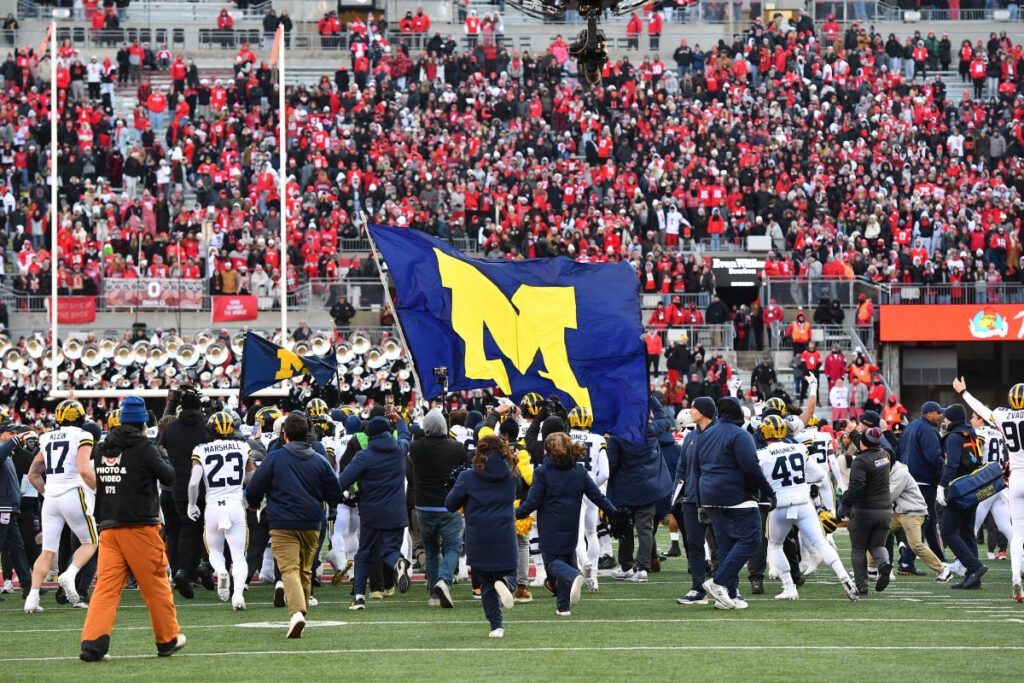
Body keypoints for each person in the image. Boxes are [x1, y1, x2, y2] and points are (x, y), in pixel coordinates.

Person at [80, 396, 183, 662]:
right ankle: (167, 639)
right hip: (140, 527)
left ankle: (93, 643)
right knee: (155, 586)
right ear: (142, 423)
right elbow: (169, 477)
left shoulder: (103, 449)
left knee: (105, 588)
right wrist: (162, 454)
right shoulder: (144, 447)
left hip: (110, 527)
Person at [245, 413, 343, 638]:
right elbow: (335, 491)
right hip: (311, 522)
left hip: (283, 521)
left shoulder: (275, 458)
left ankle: (297, 612)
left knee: (289, 569)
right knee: (305, 569)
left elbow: (254, 488)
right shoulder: (319, 459)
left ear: (285, 435)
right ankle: (302, 609)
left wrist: (253, 504)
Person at [756, 415, 858, 601]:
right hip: (803, 502)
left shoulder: (761, 455)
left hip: (780, 504)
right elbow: (819, 474)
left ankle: (789, 587)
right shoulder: (799, 448)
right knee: (820, 541)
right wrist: (801, 482)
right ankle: (844, 575)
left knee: (775, 545)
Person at [516, 431, 617, 616]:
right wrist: (616, 514)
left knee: (553, 563)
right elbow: (597, 496)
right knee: (563, 560)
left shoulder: (542, 472)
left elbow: (532, 503)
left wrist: (513, 515)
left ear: (547, 451)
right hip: (571, 525)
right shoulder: (579, 471)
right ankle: (563, 607)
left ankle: (574, 575)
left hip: (550, 526)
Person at [694, 396, 775, 609]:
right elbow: (750, 467)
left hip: (709, 496)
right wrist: (768, 492)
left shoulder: (704, 435)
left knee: (726, 546)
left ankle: (729, 595)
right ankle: (719, 582)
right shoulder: (741, 435)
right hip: (735, 496)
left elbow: (696, 469)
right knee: (751, 539)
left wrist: (701, 501)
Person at [24, 400, 97, 612]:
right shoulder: (83, 435)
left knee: (47, 550)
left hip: (52, 498)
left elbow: (32, 474)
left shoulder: (46, 437)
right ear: (80, 417)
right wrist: (99, 491)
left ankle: (32, 598)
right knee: (90, 541)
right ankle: (70, 574)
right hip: (73, 492)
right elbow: (84, 470)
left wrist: (48, 493)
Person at [955, 378, 1024, 600]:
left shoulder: (1002, 416)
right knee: (1011, 530)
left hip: (1013, 480)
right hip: (1009, 479)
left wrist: (964, 391)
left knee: (1017, 533)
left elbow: (981, 409)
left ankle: (1016, 578)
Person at [338, 406, 412, 611]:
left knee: (364, 554)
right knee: (390, 550)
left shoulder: (365, 456)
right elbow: (406, 436)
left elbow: (343, 480)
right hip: (397, 512)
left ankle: (359, 597)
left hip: (371, 512)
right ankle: (399, 562)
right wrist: (400, 420)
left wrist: (330, 494)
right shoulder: (398, 450)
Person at [445, 433, 519, 637]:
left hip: (478, 537)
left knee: (486, 583)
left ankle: (496, 626)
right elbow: (519, 489)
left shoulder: (467, 477)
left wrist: (457, 485)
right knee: (510, 573)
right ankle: (504, 584)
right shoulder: (512, 474)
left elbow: (450, 504)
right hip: (504, 533)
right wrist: (513, 460)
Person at [187, 411, 256, 610]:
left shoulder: (202, 449)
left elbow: (193, 483)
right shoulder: (243, 446)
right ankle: (238, 595)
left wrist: (191, 505)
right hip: (235, 504)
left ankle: (220, 570)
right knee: (239, 555)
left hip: (214, 506)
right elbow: (253, 477)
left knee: (215, 551)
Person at [606, 395, 673, 582]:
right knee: (645, 529)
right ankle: (642, 568)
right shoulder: (649, 430)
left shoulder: (617, 435)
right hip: (648, 487)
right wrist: (651, 399)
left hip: (625, 489)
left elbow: (611, 465)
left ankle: (627, 566)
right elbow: (665, 420)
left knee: (625, 528)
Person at [408, 409, 469, 607]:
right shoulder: (457, 448)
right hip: (448, 506)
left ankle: (434, 594)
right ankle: (444, 580)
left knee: (431, 549)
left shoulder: (416, 448)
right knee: (453, 546)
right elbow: (465, 468)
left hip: (424, 506)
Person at [159, 385, 214, 599]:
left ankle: (182, 570)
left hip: (178, 486)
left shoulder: (171, 427)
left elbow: (160, 450)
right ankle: (201, 566)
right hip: (206, 486)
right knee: (206, 530)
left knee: (184, 530)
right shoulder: (207, 426)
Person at [895, 400, 948, 574]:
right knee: (923, 521)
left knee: (930, 520)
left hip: (908, 480)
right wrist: (946, 474)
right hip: (924, 482)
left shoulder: (910, 427)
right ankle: (907, 562)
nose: (941, 416)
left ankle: (940, 558)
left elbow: (898, 451)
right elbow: (934, 456)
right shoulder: (927, 429)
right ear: (929, 413)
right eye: (938, 413)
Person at [938, 403, 988, 590]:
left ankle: (975, 567)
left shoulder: (953, 437)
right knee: (967, 532)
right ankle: (973, 578)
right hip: (973, 488)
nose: (944, 419)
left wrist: (941, 486)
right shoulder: (970, 433)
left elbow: (951, 465)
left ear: (953, 419)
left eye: (947, 416)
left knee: (947, 532)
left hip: (959, 489)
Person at [838, 427, 893, 595]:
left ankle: (862, 585)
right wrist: (853, 431)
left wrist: (843, 503)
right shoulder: (884, 455)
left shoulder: (861, 461)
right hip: (884, 510)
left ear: (863, 444)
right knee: (877, 545)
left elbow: (857, 487)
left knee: (858, 548)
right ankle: (883, 564)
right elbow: (868, 443)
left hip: (864, 511)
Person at [674, 397, 716, 605]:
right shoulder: (690, 436)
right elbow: (681, 468)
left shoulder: (718, 433)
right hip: (691, 498)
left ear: (705, 411)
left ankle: (727, 586)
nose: (690, 410)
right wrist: (677, 494)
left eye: (694, 407)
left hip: (715, 498)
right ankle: (698, 587)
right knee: (694, 543)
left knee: (720, 543)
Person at [889, 450, 952, 582]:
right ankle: (870, 568)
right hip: (901, 512)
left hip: (912, 513)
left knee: (916, 545)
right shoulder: (892, 471)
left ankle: (943, 570)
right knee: (877, 533)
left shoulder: (899, 473)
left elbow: (890, 495)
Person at [568, 406, 608, 591]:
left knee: (576, 534)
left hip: (571, 489)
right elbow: (605, 473)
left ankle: (584, 564)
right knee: (592, 532)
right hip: (591, 488)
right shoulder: (598, 439)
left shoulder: (565, 438)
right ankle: (595, 572)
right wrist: (593, 488)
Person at [0, 420, 35, 602]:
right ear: (1, 435)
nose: (15, 436)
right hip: (2, 509)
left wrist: (16, 493)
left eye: (16, 432)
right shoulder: (4, 451)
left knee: (18, 548)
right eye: (11, 433)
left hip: (9, 508)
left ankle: (28, 586)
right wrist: (16, 440)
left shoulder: (8, 455)